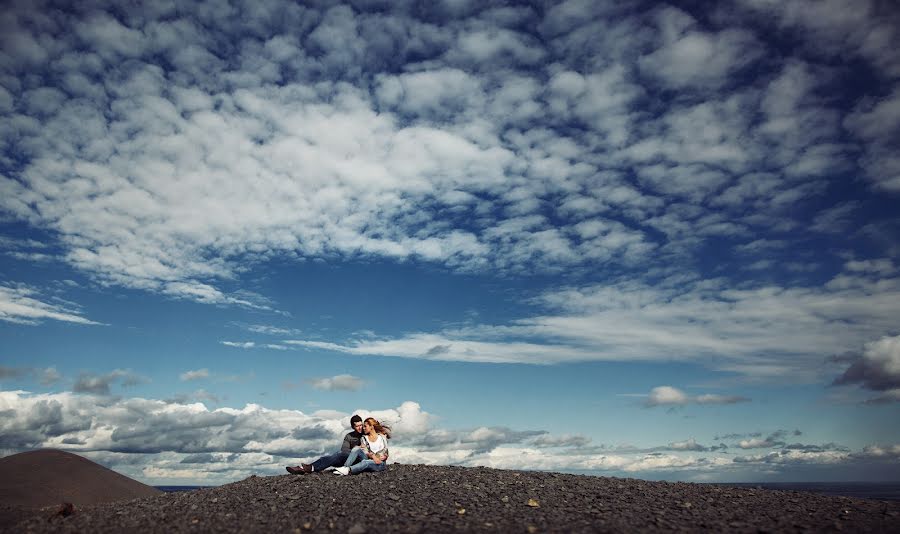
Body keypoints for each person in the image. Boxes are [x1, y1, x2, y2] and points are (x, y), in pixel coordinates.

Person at [286, 414, 366, 474]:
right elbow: (344, 450)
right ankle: (304, 468)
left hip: (360, 459)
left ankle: (309, 468)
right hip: (349, 459)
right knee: (330, 458)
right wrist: (356, 448)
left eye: (361, 425)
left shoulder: (366, 432)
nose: (360, 428)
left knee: (338, 454)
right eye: (357, 426)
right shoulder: (349, 436)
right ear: (353, 427)